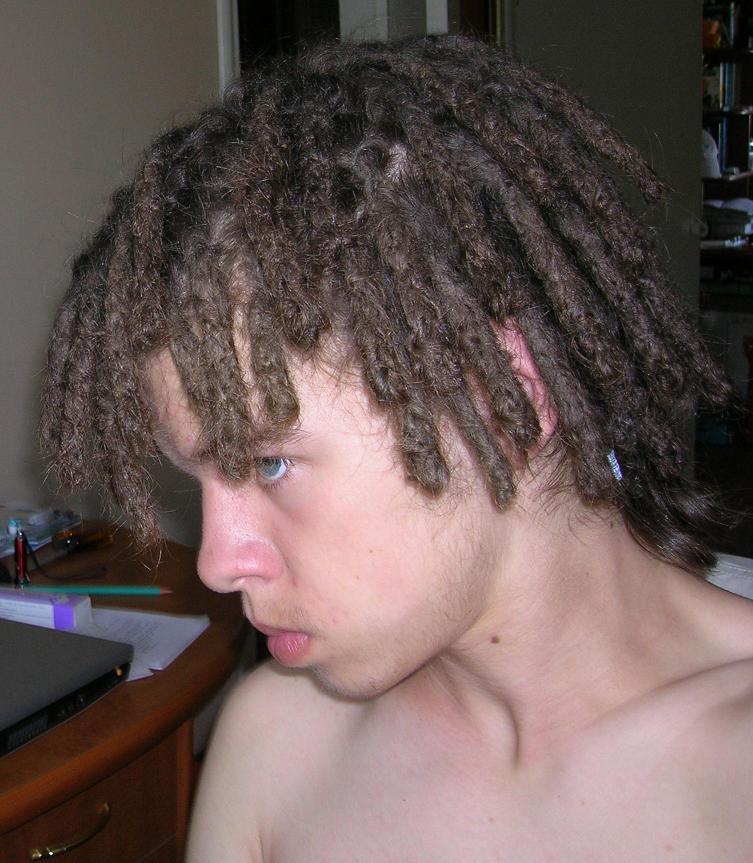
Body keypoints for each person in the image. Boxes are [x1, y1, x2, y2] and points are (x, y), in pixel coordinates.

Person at [40, 35, 753, 861]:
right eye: (197, 478)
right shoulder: (279, 743)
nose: (218, 563)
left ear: (503, 396)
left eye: (270, 463)